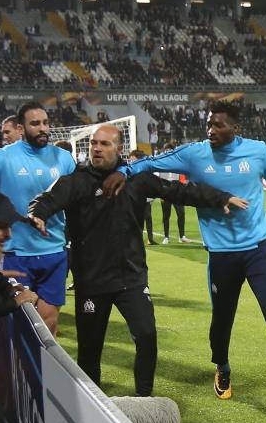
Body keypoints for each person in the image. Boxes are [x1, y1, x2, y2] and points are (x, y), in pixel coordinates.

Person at [103, 100, 266, 423]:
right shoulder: (195, 155)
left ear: (236, 128)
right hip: (221, 256)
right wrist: (125, 169)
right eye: (208, 124)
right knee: (222, 321)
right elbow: (152, 163)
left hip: (258, 250)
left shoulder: (257, 152)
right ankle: (222, 365)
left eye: (218, 125)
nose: (211, 130)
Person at [29, 125, 238, 396]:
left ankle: (144, 397)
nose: (96, 149)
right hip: (92, 282)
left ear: (119, 149)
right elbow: (47, 199)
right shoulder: (76, 181)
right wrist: (38, 214)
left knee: (147, 336)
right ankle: (93, 405)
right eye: (93, 143)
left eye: (104, 144)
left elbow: (179, 191)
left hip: (131, 278)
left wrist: (219, 197)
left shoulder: (138, 180)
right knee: (89, 351)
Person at [0, 103, 75, 334]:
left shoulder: (64, 158)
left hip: (54, 252)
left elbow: (78, 197)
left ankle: (42, 371)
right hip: (16, 253)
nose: (42, 128)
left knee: (49, 324)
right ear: (21, 127)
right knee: (18, 326)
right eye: (35, 124)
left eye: (45, 123)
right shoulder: (3, 158)